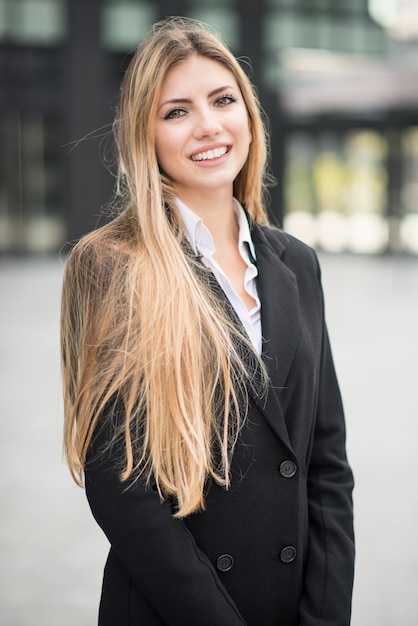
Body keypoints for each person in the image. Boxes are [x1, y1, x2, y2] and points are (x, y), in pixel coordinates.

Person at [61, 16, 355, 626]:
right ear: (145, 134)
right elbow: (119, 485)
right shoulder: (110, 263)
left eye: (223, 100)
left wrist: (325, 616)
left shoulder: (295, 262)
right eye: (176, 111)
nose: (208, 126)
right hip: (174, 610)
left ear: (249, 113)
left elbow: (325, 464)